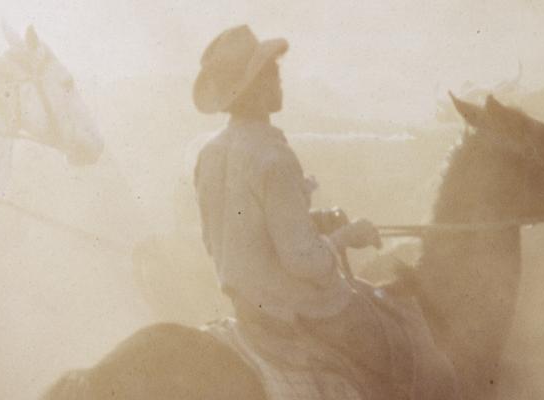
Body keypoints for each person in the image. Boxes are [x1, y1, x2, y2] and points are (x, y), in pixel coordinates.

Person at [192, 25, 457, 399]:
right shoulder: (272, 156)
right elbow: (305, 262)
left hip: (252, 312)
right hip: (300, 312)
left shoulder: (210, 154)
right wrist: (349, 236)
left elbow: (225, 237)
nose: (279, 81)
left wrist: (313, 223)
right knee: (409, 345)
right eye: (273, 74)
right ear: (259, 86)